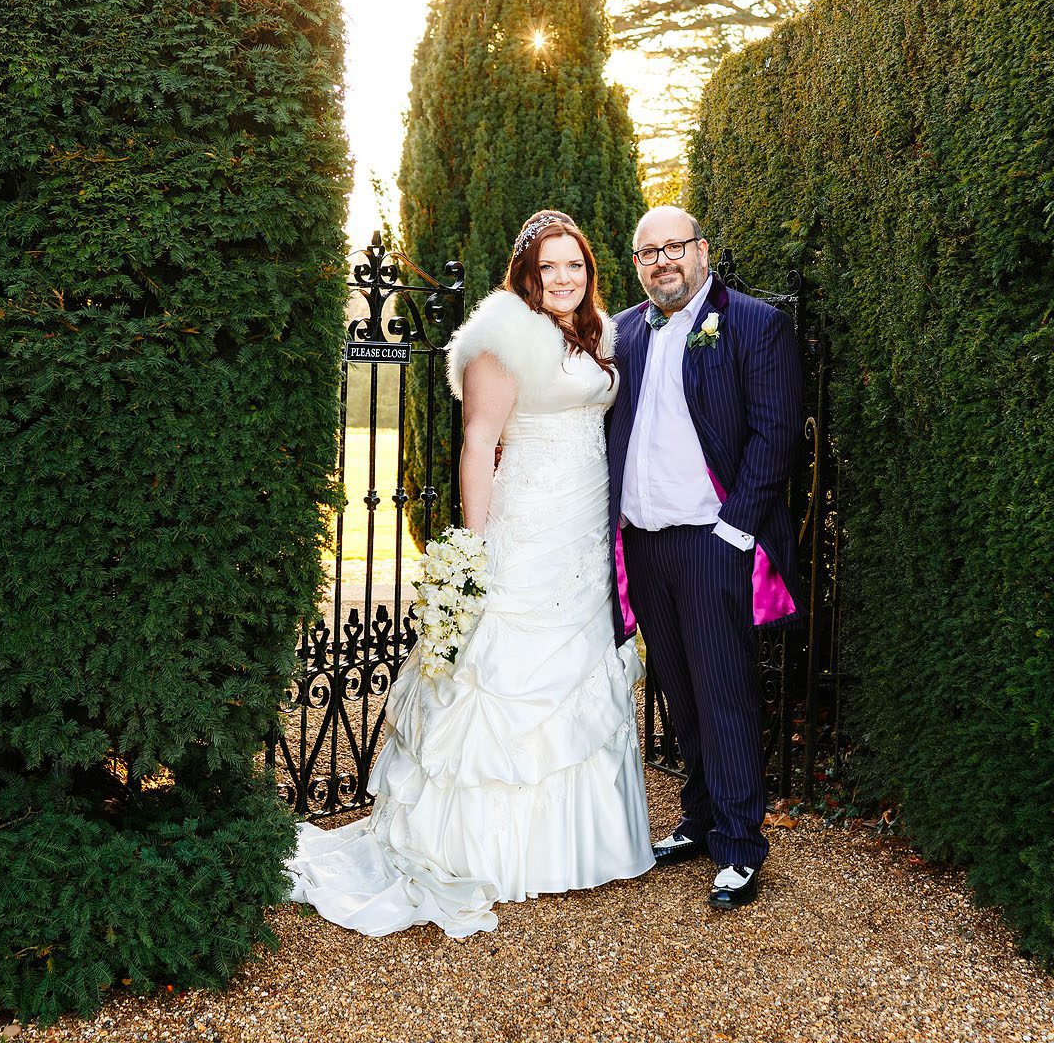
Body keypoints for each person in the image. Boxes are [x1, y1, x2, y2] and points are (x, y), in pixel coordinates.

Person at [285, 210, 654, 936]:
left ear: (589, 270)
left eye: (575, 265)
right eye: (549, 266)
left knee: (578, 666)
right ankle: (486, 850)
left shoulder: (596, 334)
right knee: (503, 671)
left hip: (584, 527)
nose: (564, 278)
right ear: (526, 273)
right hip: (527, 523)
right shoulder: (500, 336)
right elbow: (479, 442)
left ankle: (580, 846)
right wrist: (476, 549)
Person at [607, 205, 804, 911]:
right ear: (637, 264)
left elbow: (776, 434)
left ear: (702, 249)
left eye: (675, 247)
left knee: (724, 693)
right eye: (648, 252)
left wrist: (735, 529)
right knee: (679, 693)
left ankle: (741, 845)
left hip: (710, 540)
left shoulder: (753, 324)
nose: (663, 261)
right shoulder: (623, 332)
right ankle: (698, 819)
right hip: (644, 542)